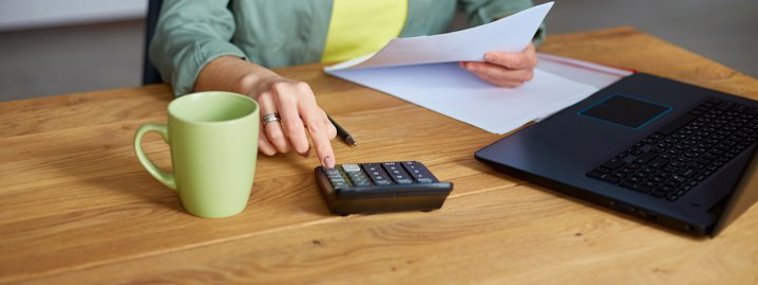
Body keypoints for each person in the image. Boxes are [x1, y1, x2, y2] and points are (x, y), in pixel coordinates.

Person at [150, 0, 544, 169]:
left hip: (419, 119)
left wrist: (514, 42)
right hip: (280, 125)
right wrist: (253, 80)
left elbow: (507, 7)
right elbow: (184, 31)